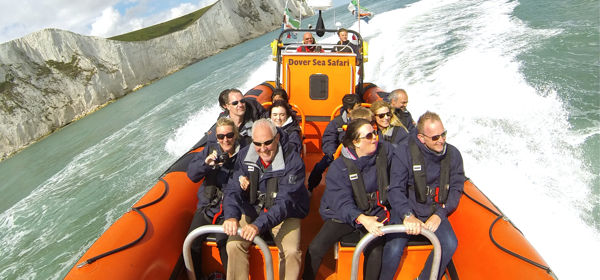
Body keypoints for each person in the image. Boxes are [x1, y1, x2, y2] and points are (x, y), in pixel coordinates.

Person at [303, 118, 394, 280]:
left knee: (376, 249)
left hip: (375, 211)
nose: (375, 138)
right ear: (356, 142)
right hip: (344, 214)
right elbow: (341, 202)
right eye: (369, 136)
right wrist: (362, 218)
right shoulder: (339, 168)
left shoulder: (385, 152)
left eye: (375, 133)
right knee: (315, 247)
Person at [380, 111, 465, 280]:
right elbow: (395, 189)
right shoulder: (404, 152)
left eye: (443, 134)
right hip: (407, 207)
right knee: (394, 247)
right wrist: (407, 215)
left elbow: (456, 188)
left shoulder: (453, 154)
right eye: (435, 137)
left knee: (449, 243)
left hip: (434, 209)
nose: (441, 140)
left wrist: (440, 214)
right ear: (421, 138)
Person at [222, 119, 310, 280]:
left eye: (268, 143)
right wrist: (230, 216)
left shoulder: (293, 161)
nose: (263, 149)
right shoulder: (244, 155)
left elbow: (285, 201)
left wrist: (258, 225)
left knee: (291, 252)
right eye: (258, 144)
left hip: (284, 214)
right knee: (233, 245)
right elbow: (232, 188)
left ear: (276, 138)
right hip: (253, 209)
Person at [186, 117, 241, 279]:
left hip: (229, 212)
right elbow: (192, 174)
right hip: (208, 208)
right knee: (190, 245)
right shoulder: (210, 151)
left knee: (225, 245)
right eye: (221, 137)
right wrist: (206, 164)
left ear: (235, 135)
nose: (225, 140)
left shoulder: (243, 153)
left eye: (229, 135)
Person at [307, 94, 361, 191]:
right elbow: (329, 138)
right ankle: (311, 187)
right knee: (320, 167)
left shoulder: (362, 122)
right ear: (349, 110)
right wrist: (332, 153)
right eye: (358, 107)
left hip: (356, 153)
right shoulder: (337, 122)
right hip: (338, 153)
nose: (360, 109)